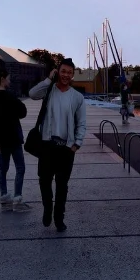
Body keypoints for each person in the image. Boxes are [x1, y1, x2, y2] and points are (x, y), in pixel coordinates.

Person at [29, 58, 86, 231]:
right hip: (47, 145)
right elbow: (32, 94)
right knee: (44, 181)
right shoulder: (49, 91)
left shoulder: (77, 97)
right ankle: (47, 208)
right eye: (63, 71)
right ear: (57, 71)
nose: (66, 75)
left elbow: (81, 123)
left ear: (73, 75)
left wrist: (76, 144)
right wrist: (48, 79)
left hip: (66, 149)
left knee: (62, 186)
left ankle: (59, 217)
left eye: (69, 72)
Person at [0, 69, 29, 212]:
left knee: (3, 168)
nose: (10, 80)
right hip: (13, 135)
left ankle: (4, 197)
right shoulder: (10, 96)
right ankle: (17, 199)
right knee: (20, 168)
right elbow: (22, 112)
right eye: (8, 78)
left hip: (1, 137)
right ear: (2, 79)